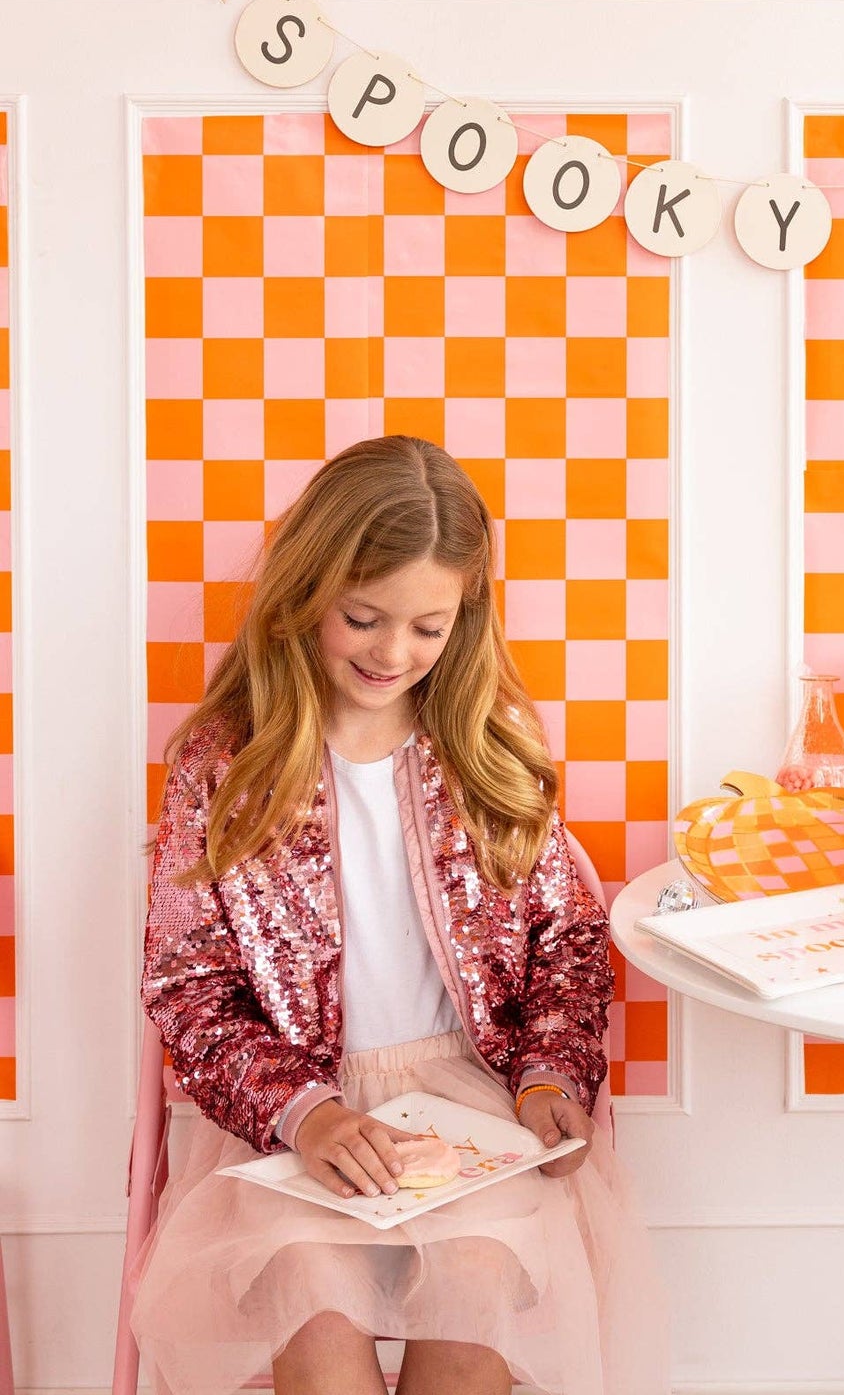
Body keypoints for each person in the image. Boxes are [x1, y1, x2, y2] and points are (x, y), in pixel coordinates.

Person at [130, 435, 667, 1395]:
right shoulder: (225, 768)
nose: (391, 653)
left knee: (479, 1283)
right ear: (305, 593)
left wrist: (549, 1076)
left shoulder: (485, 749)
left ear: (465, 617)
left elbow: (571, 945)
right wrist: (306, 1114)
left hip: (472, 1109)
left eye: (427, 626)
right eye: (364, 617)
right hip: (290, 1115)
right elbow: (189, 987)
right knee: (306, 1287)